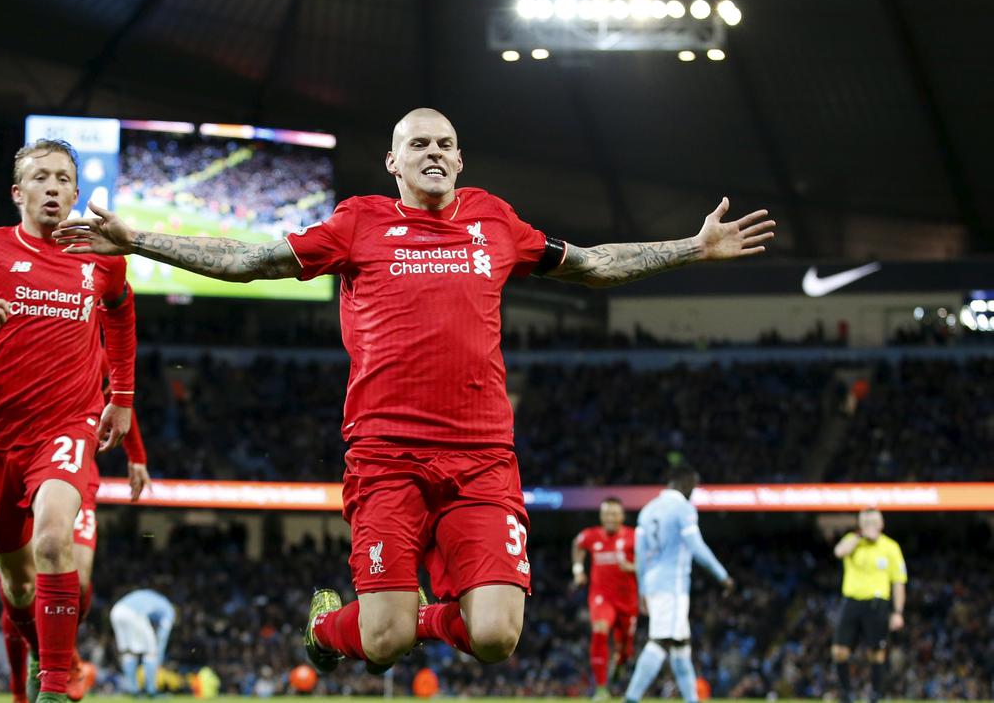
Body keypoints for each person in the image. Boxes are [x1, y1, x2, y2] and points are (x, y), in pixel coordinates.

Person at [52, 107, 774, 674]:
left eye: (446, 143)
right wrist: (139, 241)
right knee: (385, 640)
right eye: (418, 143)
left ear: (459, 159)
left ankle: (399, 616)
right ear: (392, 161)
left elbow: (591, 263)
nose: (434, 152)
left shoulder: (496, 221)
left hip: (484, 459)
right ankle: (328, 628)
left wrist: (691, 246)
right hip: (386, 458)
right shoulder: (357, 223)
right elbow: (247, 260)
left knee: (495, 636)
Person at [0, 138, 137, 703]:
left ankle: (55, 687)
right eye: (41, 178)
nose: (53, 187)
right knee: (16, 585)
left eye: (63, 178)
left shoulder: (100, 257)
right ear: (18, 193)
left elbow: (121, 310)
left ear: (77, 193)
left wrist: (124, 397)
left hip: (66, 426)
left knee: (56, 541)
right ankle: (43, 648)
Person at [0, 355, 151, 702]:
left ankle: (59, 660)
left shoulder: (81, 340)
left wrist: (136, 455)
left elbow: (120, 399)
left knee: (76, 579)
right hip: (5, 471)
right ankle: (27, 685)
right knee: (18, 587)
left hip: (67, 464)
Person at [623, 466, 733, 703]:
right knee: (660, 641)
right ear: (684, 484)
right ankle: (630, 698)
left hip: (653, 585)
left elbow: (640, 556)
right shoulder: (684, 509)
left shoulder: (647, 510)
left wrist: (643, 590)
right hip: (672, 586)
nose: (694, 491)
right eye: (693, 485)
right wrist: (722, 575)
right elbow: (696, 546)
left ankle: (692, 699)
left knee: (681, 646)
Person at [831, 508, 907, 703]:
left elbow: (898, 582)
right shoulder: (853, 541)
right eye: (866, 523)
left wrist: (897, 612)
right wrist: (859, 537)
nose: (871, 527)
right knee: (839, 651)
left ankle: (875, 695)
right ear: (861, 525)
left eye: (874, 523)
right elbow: (839, 551)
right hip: (852, 601)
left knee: (877, 653)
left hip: (877, 604)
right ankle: (846, 694)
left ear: (881, 525)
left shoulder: (891, 547)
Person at [573, 497, 637, 698]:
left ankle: (620, 663)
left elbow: (649, 563)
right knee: (599, 630)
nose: (610, 518)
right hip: (602, 598)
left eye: (614, 513)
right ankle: (601, 688)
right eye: (606, 513)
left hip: (628, 601)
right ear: (601, 516)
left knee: (625, 649)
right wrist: (577, 570)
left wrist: (632, 567)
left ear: (622, 516)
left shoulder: (634, 537)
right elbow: (577, 543)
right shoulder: (592, 536)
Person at [109, 589, 176, 697]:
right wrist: (159, 658)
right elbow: (163, 635)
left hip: (116, 611)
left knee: (128, 652)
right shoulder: (169, 610)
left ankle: (132, 690)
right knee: (151, 652)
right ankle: (151, 691)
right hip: (134, 613)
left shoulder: (154, 597)